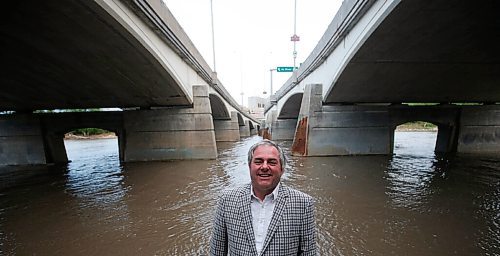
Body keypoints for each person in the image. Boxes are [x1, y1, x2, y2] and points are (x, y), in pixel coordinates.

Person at [209, 139, 317, 255]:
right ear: (250, 166)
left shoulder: (303, 204)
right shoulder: (227, 200)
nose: (264, 167)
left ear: (282, 169)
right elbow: (217, 251)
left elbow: (308, 253)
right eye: (258, 161)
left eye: (272, 162)